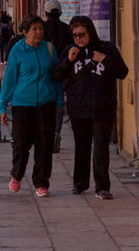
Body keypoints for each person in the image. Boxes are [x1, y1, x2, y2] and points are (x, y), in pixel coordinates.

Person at [50, 15, 129, 199]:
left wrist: (104, 60)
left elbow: (123, 72)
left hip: (103, 107)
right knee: (82, 146)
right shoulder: (71, 50)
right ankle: (80, 183)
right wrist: (67, 61)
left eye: (82, 34)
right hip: (79, 108)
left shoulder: (106, 48)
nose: (78, 38)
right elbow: (56, 75)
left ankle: (102, 187)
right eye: (75, 35)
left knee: (101, 146)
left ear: (90, 32)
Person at [0, 14, 63, 197]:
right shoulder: (17, 51)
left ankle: (41, 183)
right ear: (25, 32)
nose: (38, 32)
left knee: (44, 145)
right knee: (21, 143)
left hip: (46, 103)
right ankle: (16, 175)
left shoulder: (49, 49)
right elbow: (10, 80)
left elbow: (56, 79)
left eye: (40, 28)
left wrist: (59, 102)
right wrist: (3, 106)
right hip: (22, 104)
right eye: (34, 29)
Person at [43, 0, 73, 154]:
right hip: (62, 71)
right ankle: (56, 133)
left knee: (44, 102)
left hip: (45, 72)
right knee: (59, 105)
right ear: (60, 13)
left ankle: (46, 135)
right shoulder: (67, 30)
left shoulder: (41, 29)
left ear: (45, 13)